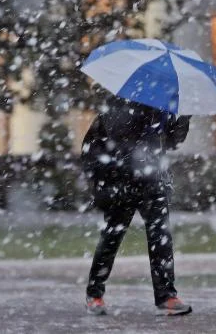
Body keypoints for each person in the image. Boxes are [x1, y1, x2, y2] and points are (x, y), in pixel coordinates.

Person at [81, 95, 192, 316]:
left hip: (151, 180)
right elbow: (120, 140)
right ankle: (94, 293)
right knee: (113, 235)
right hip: (121, 180)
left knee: (161, 236)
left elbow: (171, 142)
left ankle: (166, 296)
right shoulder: (123, 103)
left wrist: (184, 117)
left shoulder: (162, 107)